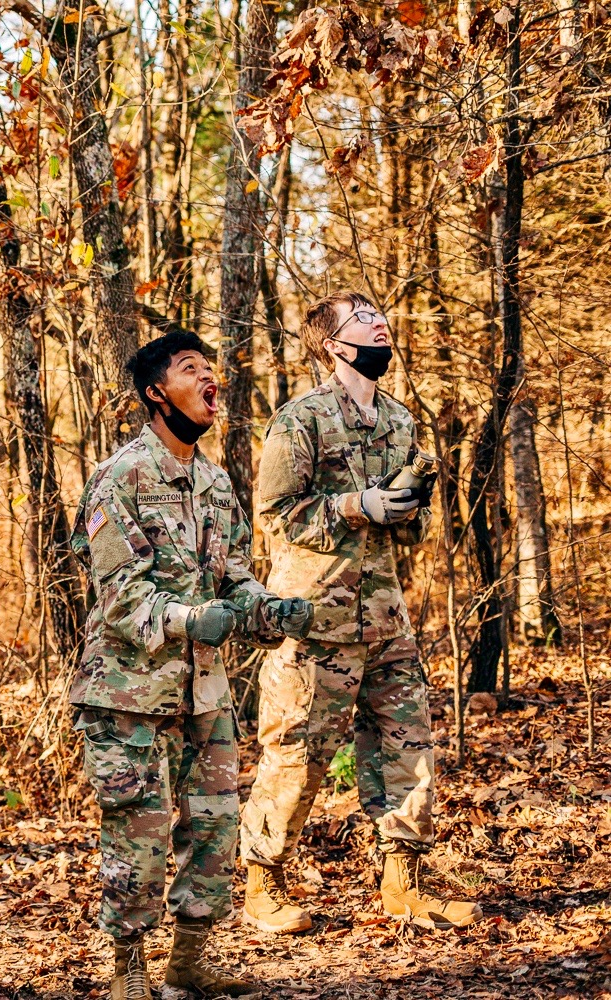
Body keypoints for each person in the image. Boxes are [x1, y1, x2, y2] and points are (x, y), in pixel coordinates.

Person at [70, 332, 314, 1000]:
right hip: (126, 690)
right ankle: (128, 969)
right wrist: (188, 618)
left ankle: (188, 963)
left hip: (203, 689)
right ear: (157, 393)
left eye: (211, 368)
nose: (210, 379)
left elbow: (234, 577)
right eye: (190, 369)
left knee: (214, 823)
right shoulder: (121, 476)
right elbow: (120, 596)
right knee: (139, 831)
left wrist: (270, 610)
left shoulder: (214, 481)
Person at [241, 291, 482, 933]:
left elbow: (412, 530)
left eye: (379, 316)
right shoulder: (301, 419)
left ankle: (403, 883)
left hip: (384, 617)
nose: (379, 325)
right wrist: (357, 505)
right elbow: (275, 516)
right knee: (297, 751)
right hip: (314, 616)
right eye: (363, 319)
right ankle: (263, 884)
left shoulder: (399, 421)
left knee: (408, 745)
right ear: (333, 344)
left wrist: (408, 506)